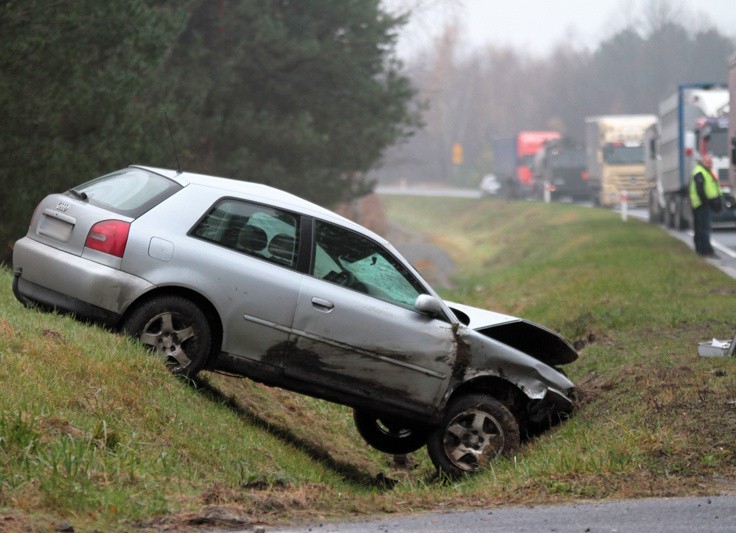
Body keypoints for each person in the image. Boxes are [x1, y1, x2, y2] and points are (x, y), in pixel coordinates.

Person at [689, 153, 723, 258]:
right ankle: (706, 250)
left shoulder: (705, 171)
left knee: (701, 228)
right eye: (708, 162)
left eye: (710, 162)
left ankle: (701, 249)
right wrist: (708, 202)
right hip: (701, 204)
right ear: (703, 162)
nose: (709, 164)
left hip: (703, 204)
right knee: (704, 228)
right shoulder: (700, 172)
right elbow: (700, 191)